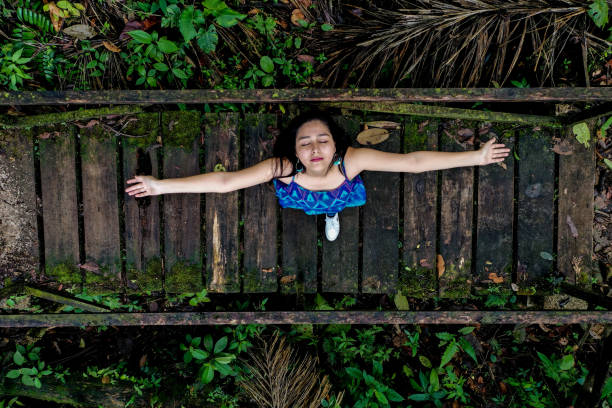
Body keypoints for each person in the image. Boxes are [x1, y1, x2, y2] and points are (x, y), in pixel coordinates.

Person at [125, 111, 510, 241]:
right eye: (305, 143)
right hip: (301, 196)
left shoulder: (351, 161)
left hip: (341, 191)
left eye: (322, 140)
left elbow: (411, 162)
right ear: (294, 150)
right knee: (308, 208)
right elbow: (226, 183)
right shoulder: (283, 169)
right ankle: (322, 212)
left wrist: (475, 158)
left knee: (333, 206)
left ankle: (332, 213)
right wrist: (160, 186)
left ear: (334, 143)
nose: (314, 149)